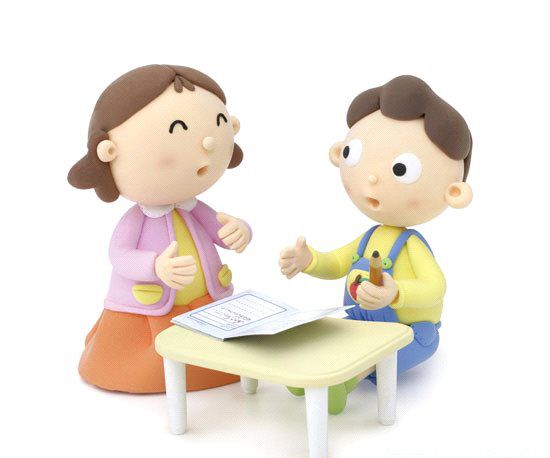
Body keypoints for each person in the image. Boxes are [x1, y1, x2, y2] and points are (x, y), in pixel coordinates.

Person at [279, 75, 473, 413]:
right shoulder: (368, 238)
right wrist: (309, 261)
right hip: (360, 320)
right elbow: (337, 263)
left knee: (392, 350)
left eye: (401, 169)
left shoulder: (411, 245)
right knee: (328, 334)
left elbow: (435, 287)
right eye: (353, 155)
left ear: (453, 192)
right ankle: (312, 371)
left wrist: (395, 292)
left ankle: (346, 380)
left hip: (408, 329)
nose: (372, 177)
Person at [68, 65, 252, 393]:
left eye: (220, 123)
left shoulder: (193, 208)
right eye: (178, 130)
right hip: (148, 313)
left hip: (205, 305)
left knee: (217, 354)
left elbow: (220, 230)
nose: (209, 142)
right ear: (109, 152)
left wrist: (241, 230)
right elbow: (119, 254)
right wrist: (155, 266)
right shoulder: (137, 220)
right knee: (154, 364)